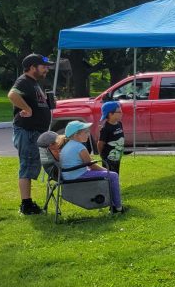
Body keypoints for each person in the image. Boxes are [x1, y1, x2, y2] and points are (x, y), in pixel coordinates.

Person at [9, 53, 53, 215]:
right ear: (32, 67)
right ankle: (26, 205)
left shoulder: (34, 83)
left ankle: (28, 203)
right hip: (27, 131)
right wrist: (27, 109)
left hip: (35, 132)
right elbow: (12, 95)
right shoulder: (24, 81)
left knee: (31, 165)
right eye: (43, 66)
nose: (46, 69)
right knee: (26, 166)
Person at [59, 120, 125, 214]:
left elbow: (87, 164)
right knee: (113, 175)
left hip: (70, 175)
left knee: (110, 175)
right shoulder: (79, 147)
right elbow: (92, 166)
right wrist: (107, 170)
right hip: (78, 175)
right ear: (76, 135)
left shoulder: (67, 146)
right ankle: (118, 207)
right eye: (85, 132)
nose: (88, 133)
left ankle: (113, 204)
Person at [97, 101, 125, 174]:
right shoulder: (105, 128)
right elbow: (100, 144)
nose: (122, 113)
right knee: (110, 175)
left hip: (118, 155)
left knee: (116, 173)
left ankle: (116, 184)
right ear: (110, 114)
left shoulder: (119, 124)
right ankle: (110, 185)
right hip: (109, 158)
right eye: (119, 112)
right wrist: (103, 156)